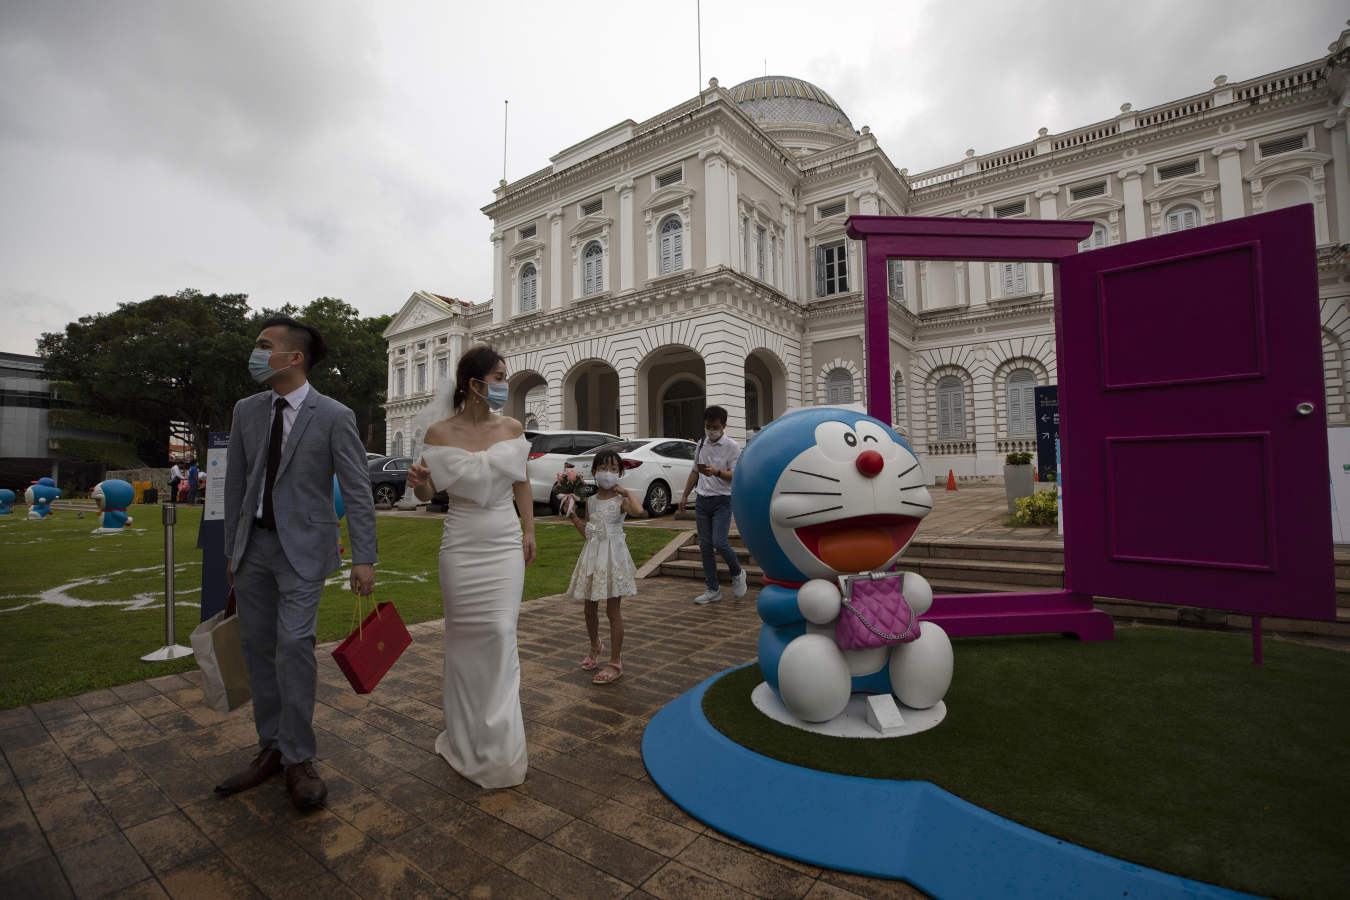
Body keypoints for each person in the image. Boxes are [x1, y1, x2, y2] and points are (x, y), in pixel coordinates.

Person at [217, 315, 377, 810]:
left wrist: (364, 557)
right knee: (257, 649)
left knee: (293, 646)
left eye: (264, 346)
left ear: (295, 357)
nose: (256, 353)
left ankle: (299, 758)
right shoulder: (247, 410)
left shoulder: (333, 415)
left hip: (304, 550)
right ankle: (271, 748)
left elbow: (356, 488)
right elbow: (235, 486)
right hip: (254, 551)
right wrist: (231, 550)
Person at [405, 345, 536, 789]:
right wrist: (421, 486)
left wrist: (529, 530)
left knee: (501, 635)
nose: (503, 384)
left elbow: (521, 481)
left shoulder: (513, 427)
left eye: (504, 376)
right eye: (498, 376)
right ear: (473, 383)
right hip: (460, 544)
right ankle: (463, 738)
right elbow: (428, 497)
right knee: (462, 643)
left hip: (503, 541)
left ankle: (500, 748)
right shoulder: (439, 433)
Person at [565, 450, 643, 685]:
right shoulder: (590, 500)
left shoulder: (621, 500)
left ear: (619, 473)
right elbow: (589, 532)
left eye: (612, 469)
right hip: (592, 556)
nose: (607, 473)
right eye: (602, 468)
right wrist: (573, 518)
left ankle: (615, 661)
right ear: (593, 471)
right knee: (589, 608)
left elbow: (638, 512)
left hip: (613, 559)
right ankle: (594, 645)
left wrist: (626, 492)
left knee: (612, 611)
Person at [677, 405, 747, 604]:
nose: (711, 430)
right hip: (702, 500)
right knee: (705, 546)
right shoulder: (701, 444)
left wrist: (717, 472)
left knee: (720, 542)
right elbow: (694, 471)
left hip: (722, 501)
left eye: (715, 427)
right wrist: (684, 496)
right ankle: (712, 589)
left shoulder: (732, 447)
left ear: (724, 425)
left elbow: (735, 476)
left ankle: (737, 571)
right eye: (708, 426)